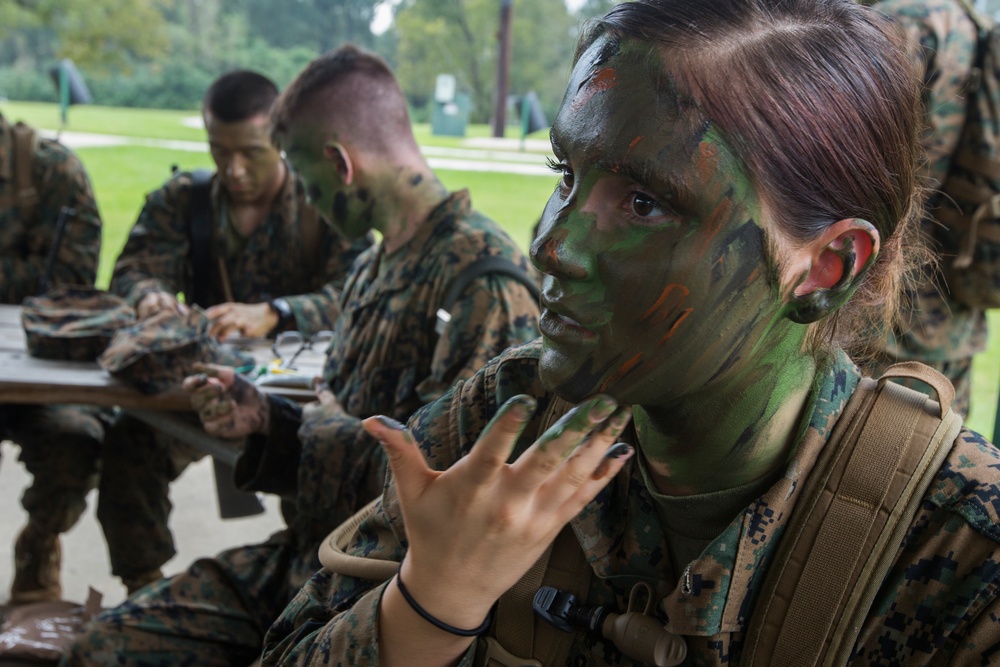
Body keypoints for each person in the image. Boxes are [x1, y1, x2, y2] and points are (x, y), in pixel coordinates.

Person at [252, 1, 1000, 665]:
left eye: (643, 203)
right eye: (564, 176)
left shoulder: (962, 552)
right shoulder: (507, 423)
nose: (550, 245)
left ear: (824, 267)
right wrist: (428, 603)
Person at [62, 45, 540, 665]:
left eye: (304, 178)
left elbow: (450, 504)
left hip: (387, 596)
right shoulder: (375, 264)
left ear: (340, 165)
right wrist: (263, 417)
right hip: (313, 558)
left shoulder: (482, 287)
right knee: (101, 648)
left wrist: (312, 425)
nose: (303, 199)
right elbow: (351, 434)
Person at [95, 69, 373, 594]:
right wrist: (149, 296)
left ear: (281, 140)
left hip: (298, 400)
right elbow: (132, 269)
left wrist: (277, 312)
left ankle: (311, 595)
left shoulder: (321, 205)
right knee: (129, 447)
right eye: (219, 151)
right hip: (201, 392)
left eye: (250, 151)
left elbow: (359, 291)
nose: (234, 168)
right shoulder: (185, 201)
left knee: (326, 471)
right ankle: (143, 588)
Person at [0, 111, 108, 604]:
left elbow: (71, 286)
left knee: (77, 440)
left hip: (39, 371)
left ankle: (39, 542)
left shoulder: (51, 172)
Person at [862, 0, 987, 418]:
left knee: (855, 471)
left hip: (878, 321)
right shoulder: (971, 24)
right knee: (937, 468)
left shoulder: (899, 24)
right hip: (953, 320)